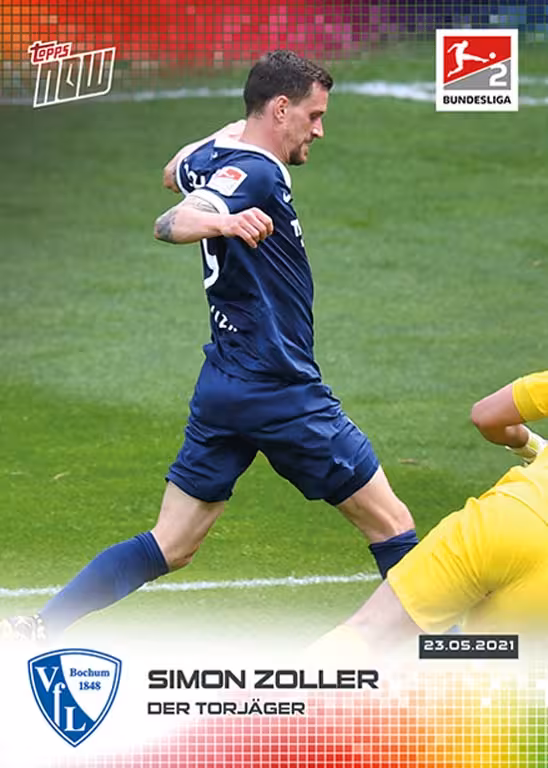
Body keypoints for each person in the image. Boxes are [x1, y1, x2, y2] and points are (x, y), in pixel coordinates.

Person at [0, 50, 416, 642]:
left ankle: (37, 628)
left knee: (171, 544)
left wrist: (219, 142)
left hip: (224, 384)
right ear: (280, 109)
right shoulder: (257, 176)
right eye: (314, 115)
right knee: (393, 525)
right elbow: (171, 219)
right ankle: (448, 658)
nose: (319, 130)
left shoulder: (221, 154)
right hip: (280, 388)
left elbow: (174, 171)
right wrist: (223, 221)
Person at [311, 370, 548, 656]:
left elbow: (487, 416)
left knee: (367, 631)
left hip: (507, 517)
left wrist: (533, 447)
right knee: (495, 663)